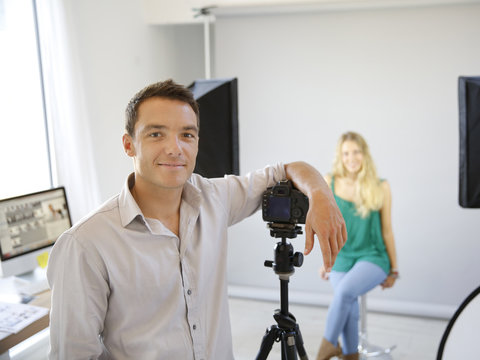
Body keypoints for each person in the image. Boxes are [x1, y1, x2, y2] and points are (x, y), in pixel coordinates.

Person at [46, 79, 347, 360]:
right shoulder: (85, 245)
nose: (175, 148)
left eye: (186, 134)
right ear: (129, 145)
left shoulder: (215, 198)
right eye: (156, 134)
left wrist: (322, 196)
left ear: (197, 142)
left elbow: (289, 169)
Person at [316, 131, 398, 360]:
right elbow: (324, 227)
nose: (351, 158)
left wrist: (394, 268)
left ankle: (325, 349)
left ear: (364, 154)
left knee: (343, 293)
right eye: (345, 153)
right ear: (339, 157)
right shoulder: (328, 181)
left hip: (372, 256)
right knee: (348, 305)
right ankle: (351, 356)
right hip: (341, 256)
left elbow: (387, 230)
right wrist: (326, 261)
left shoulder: (381, 186)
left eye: (356, 152)